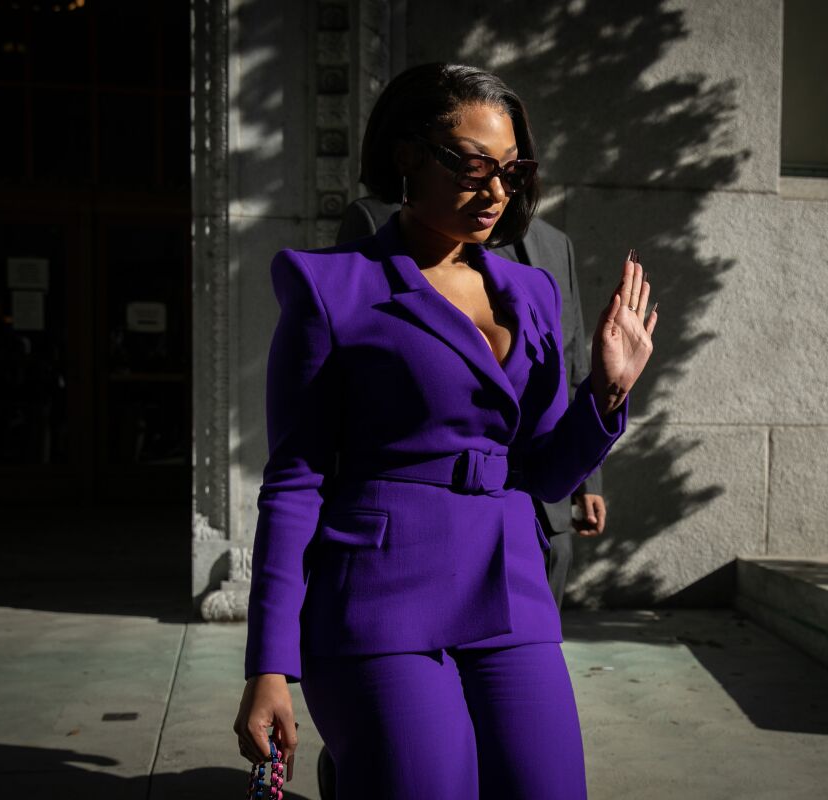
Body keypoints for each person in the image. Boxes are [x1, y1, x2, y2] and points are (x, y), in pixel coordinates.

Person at [233, 62, 657, 799]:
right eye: (471, 165)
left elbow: (543, 472)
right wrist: (269, 664)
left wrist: (607, 391)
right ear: (406, 156)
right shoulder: (330, 288)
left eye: (511, 170)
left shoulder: (530, 290)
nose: (496, 190)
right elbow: (295, 481)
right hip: (377, 595)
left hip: (510, 587)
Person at [334, 196, 610, 612]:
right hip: (435, 512)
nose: (497, 182)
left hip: (544, 503)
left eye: (514, 163)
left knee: (534, 649)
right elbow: (349, 384)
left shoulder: (556, 244)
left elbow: (570, 363)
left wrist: (589, 480)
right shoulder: (377, 219)